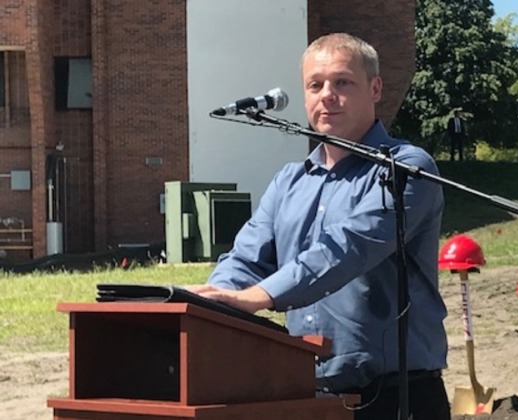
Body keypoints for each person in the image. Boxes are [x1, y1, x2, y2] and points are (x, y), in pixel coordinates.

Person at [186, 33, 450, 420]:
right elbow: (246, 258)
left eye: (342, 82)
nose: (327, 94)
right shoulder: (289, 181)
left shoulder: (407, 168)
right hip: (305, 395)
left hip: (396, 398)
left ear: (375, 88)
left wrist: (258, 296)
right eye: (315, 84)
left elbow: (348, 248)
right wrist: (209, 300)